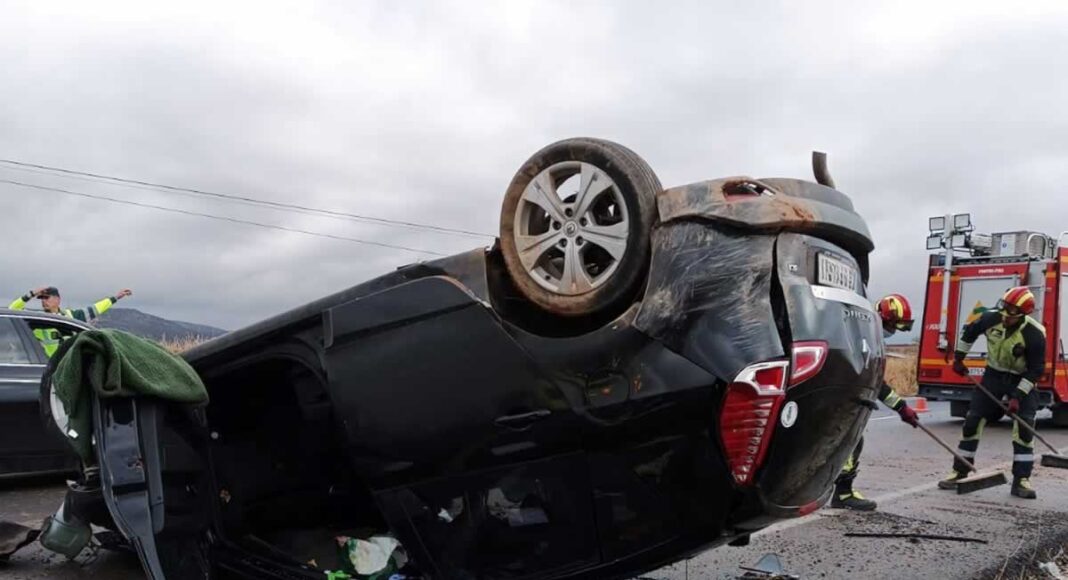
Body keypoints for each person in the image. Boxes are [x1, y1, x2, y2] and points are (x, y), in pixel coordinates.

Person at [939, 286, 1046, 499]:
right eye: (1004, 310)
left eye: (1011, 314)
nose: (1005, 317)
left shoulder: (1035, 333)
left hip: (1021, 378)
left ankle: (1021, 480)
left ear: (1024, 314)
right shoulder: (990, 318)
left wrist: (1017, 396)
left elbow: (1036, 370)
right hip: (993, 376)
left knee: (1024, 429)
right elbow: (969, 332)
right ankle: (960, 472)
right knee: (972, 421)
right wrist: (959, 358)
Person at [832, 293, 921, 511]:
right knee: (850, 442)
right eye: (892, 325)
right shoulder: (861, 338)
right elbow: (867, 378)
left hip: (844, 397)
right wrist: (901, 408)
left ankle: (835, 492)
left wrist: (902, 407)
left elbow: (876, 382)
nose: (893, 331)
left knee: (848, 442)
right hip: (840, 397)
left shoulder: (870, 338)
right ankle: (842, 495)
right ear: (881, 317)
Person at [8, 286, 133, 357]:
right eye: (41, 299)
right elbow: (13, 310)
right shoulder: (38, 319)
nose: (43, 301)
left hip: (69, 364)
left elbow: (96, 308)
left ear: (58, 299)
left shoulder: (71, 316)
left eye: (47, 298)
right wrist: (30, 294)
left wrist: (116, 297)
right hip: (48, 365)